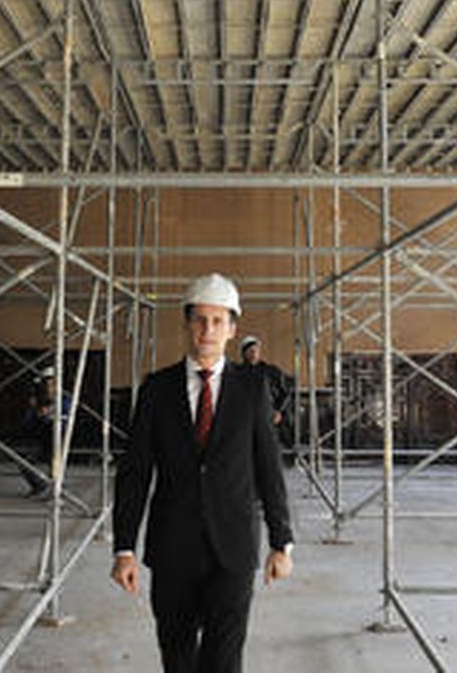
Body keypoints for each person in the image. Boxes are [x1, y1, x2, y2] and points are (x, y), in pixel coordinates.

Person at [112, 273, 294, 672]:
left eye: (217, 321)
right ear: (187, 323)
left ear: (231, 329)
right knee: (176, 653)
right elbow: (135, 473)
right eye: (199, 319)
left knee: (224, 658)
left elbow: (268, 466)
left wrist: (282, 541)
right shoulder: (157, 389)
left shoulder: (251, 391)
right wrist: (123, 548)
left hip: (233, 548)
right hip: (173, 547)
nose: (207, 330)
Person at [19, 364, 65, 497]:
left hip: (57, 440)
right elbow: (27, 423)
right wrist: (34, 410)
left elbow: (66, 417)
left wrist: (52, 413)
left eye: (52, 384)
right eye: (47, 384)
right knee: (25, 462)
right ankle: (39, 486)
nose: (49, 388)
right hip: (42, 440)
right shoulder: (39, 401)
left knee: (55, 466)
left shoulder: (63, 399)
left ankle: (56, 492)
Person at [238, 335, 291, 447]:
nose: (253, 354)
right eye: (250, 351)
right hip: (245, 420)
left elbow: (285, 392)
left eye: (255, 350)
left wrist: (278, 411)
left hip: (267, 417)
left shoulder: (270, 371)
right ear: (244, 354)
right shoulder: (237, 373)